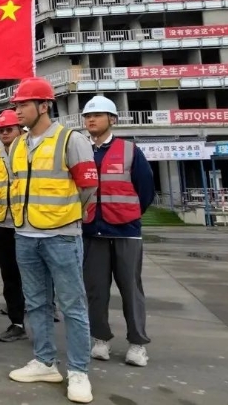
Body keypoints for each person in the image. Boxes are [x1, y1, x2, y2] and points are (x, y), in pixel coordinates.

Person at [6, 77, 99, 404]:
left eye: (23, 105)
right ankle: (45, 362)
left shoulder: (71, 140)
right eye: (16, 105)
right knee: (35, 303)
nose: (17, 111)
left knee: (73, 305)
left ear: (44, 105)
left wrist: (67, 216)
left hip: (61, 236)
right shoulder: (18, 145)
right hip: (25, 235)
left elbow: (88, 187)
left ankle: (78, 371)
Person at [81, 96, 155, 367]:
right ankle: (100, 339)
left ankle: (137, 344)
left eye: (98, 115)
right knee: (96, 290)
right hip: (92, 231)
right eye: (88, 116)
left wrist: (129, 215)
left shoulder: (129, 150)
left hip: (126, 232)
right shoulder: (82, 151)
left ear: (112, 119)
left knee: (131, 289)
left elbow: (146, 189)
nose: (91, 120)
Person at [0, 110, 28, 342]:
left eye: (9, 129)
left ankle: (44, 313)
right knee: (9, 276)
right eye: (1, 130)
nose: (4, 133)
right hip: (2, 225)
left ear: (20, 130)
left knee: (34, 276)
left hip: (29, 225)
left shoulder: (31, 153)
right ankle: (17, 323)